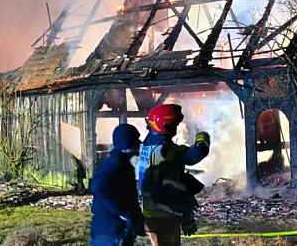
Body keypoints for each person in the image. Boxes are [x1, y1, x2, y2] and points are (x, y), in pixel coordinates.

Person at [137, 104, 210, 246]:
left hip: (149, 209)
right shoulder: (168, 151)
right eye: (174, 125)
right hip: (166, 211)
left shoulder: (144, 147)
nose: (176, 128)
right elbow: (197, 153)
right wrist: (203, 137)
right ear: (166, 127)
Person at [90, 124, 146, 246]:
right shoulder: (114, 165)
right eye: (136, 141)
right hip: (110, 234)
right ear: (128, 144)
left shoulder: (123, 165)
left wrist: (137, 221)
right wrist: (123, 213)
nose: (139, 144)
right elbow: (98, 187)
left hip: (115, 233)